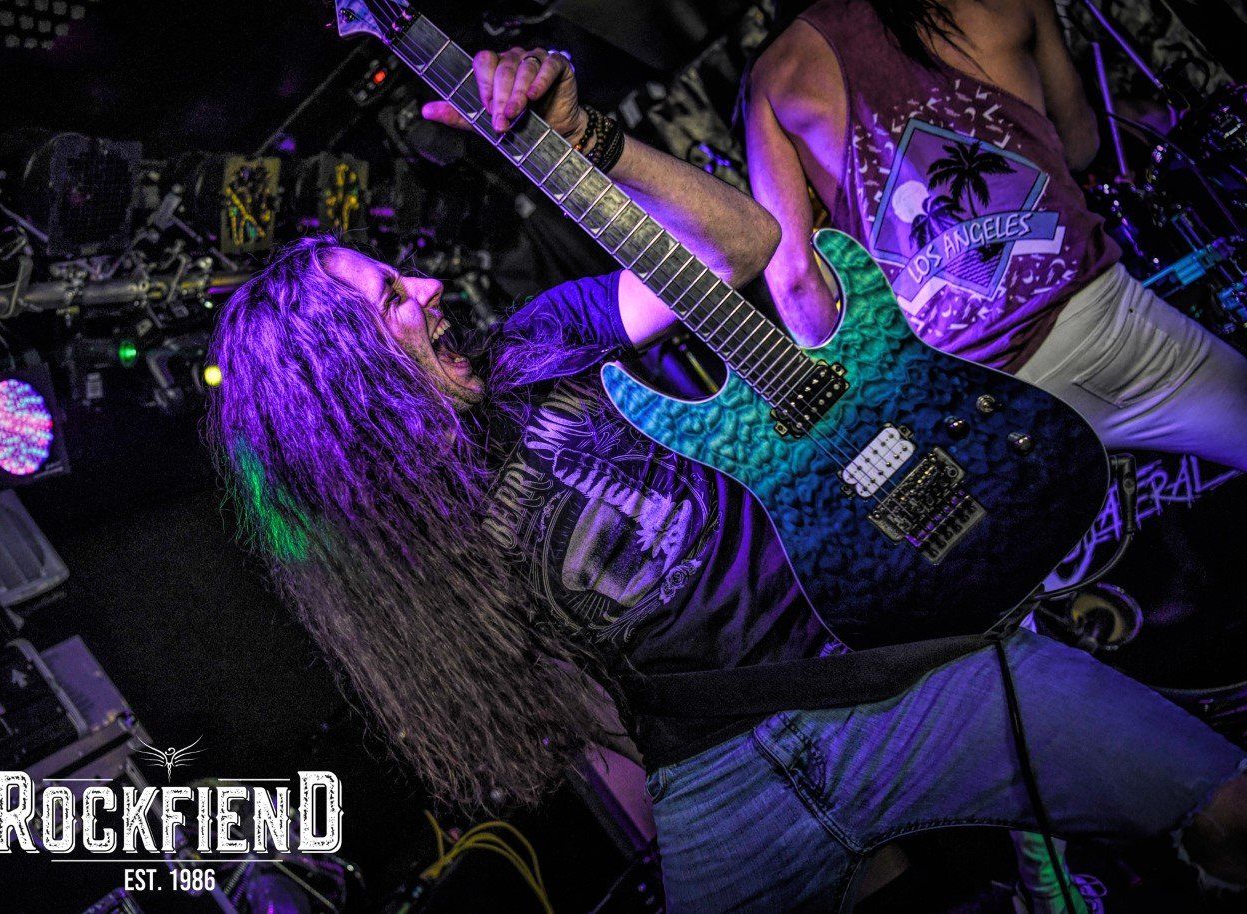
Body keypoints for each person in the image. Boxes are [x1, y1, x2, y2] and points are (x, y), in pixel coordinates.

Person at [207, 43, 1247, 913]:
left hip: (885, 675)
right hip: (712, 780)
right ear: (345, 388)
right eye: (392, 300)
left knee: (1227, 808)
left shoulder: (539, 340)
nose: (431, 286)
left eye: (403, 275)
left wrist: (592, 141)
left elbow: (743, 243)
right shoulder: (404, 540)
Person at [744, 0, 1247, 473]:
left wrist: (872, 407)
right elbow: (1081, 144)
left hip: (964, 397)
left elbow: (795, 283)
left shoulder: (779, 72)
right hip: (1102, 326)